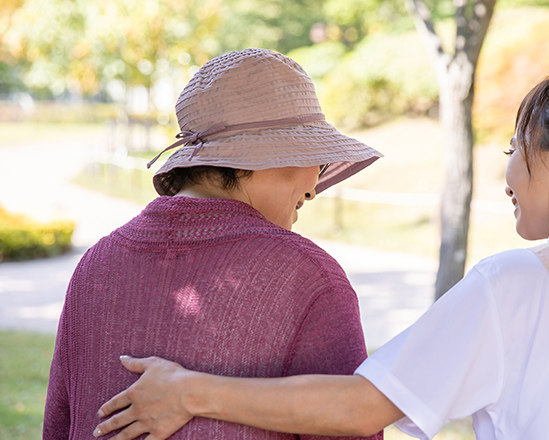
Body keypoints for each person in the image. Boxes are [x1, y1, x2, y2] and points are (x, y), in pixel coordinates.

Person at [92, 62, 549, 440]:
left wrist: (189, 392)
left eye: (514, 151)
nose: (507, 173)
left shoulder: (521, 284)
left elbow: (364, 405)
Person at [43, 48, 384, 440]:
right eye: (317, 157)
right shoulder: (306, 277)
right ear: (272, 158)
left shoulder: (97, 263)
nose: (315, 183)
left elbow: (59, 425)